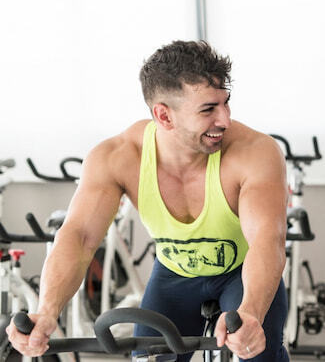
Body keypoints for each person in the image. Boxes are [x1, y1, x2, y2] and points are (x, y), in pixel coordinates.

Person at [6, 40, 290, 362]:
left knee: (257, 353)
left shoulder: (254, 152)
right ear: (163, 116)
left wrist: (250, 311)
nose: (224, 119)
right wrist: (46, 311)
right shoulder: (117, 157)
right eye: (208, 109)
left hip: (241, 273)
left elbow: (268, 238)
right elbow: (80, 236)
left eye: (225, 103)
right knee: (149, 357)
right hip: (172, 276)